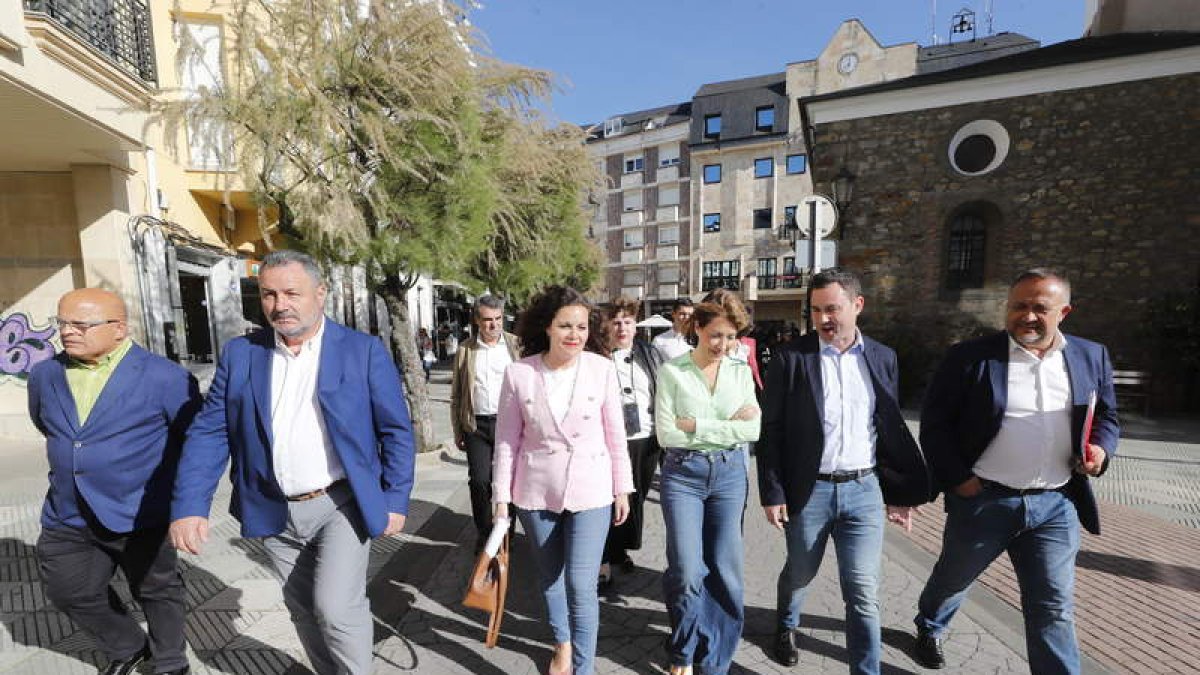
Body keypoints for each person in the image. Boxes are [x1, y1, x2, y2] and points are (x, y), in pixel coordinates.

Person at [170, 250, 416, 675]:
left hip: (341, 504)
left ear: (320, 294)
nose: (279, 304)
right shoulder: (241, 354)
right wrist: (191, 504)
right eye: (268, 294)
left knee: (336, 608)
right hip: (274, 508)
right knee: (302, 609)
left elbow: (395, 429)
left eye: (291, 293)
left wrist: (395, 497)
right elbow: (211, 431)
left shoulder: (362, 351)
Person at [911, 268, 1119, 673]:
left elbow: (1107, 415)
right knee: (953, 578)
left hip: (1055, 505)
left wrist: (1101, 450)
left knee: (1052, 607)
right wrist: (959, 481)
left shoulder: (1090, 355)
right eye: (1018, 306)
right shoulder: (969, 358)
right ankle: (930, 623)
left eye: (1040, 307)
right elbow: (935, 425)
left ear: (1064, 312)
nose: (1027, 316)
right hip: (983, 500)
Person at [757, 268, 933, 673]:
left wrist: (900, 493)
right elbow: (772, 431)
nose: (823, 319)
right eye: (816, 310)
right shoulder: (791, 358)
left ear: (858, 305)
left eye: (832, 309)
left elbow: (887, 429)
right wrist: (773, 491)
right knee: (799, 573)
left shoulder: (883, 358)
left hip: (864, 491)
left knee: (863, 590)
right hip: (809, 491)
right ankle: (786, 625)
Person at [28, 288, 199, 675]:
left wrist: (186, 504)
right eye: (62, 323)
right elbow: (51, 428)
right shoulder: (45, 374)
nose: (68, 332)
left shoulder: (166, 377)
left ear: (119, 329)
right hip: (68, 511)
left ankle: (170, 661)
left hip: (141, 510)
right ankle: (129, 646)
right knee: (68, 589)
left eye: (80, 324)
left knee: (157, 589)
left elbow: (194, 442)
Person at [491, 286, 634, 675]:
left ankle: (584, 669)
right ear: (547, 327)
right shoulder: (519, 374)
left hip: (592, 491)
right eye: (566, 326)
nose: (575, 334)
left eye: (583, 327)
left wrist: (623, 487)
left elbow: (615, 434)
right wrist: (501, 498)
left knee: (581, 584)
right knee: (550, 577)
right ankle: (563, 645)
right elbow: (506, 441)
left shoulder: (602, 369)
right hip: (536, 492)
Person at [655, 293, 761, 675]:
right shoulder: (673, 373)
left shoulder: (740, 370)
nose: (724, 345)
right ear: (697, 328)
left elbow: (753, 428)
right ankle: (683, 647)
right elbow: (668, 435)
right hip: (684, 475)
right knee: (686, 570)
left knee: (726, 570)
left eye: (731, 337)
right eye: (716, 335)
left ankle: (715, 659)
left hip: (730, 474)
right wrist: (728, 426)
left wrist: (698, 426)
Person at [599, 296, 666, 590]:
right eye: (616, 322)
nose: (622, 328)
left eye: (627, 322)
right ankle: (603, 559)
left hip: (647, 438)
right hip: (609, 441)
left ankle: (620, 549)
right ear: (607, 326)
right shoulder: (597, 356)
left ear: (635, 325)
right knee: (608, 499)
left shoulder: (650, 353)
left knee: (635, 498)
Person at [451, 295, 520, 551]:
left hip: (509, 424)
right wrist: (458, 429)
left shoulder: (516, 346)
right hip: (476, 425)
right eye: (488, 320)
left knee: (508, 480)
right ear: (478, 321)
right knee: (480, 480)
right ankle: (484, 532)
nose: (493, 325)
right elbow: (457, 394)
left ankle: (507, 532)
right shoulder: (466, 350)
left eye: (498, 319)